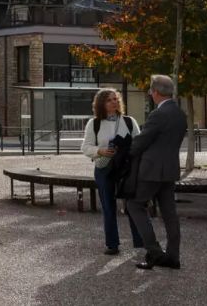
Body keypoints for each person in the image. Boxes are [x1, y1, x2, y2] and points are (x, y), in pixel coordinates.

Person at [127, 74, 187, 270]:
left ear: (156, 92)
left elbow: (141, 141)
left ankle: (154, 251)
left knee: (134, 205)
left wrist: (124, 153)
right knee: (170, 213)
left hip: (151, 170)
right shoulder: (179, 113)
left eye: (151, 90)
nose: (150, 94)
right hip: (170, 170)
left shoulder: (158, 114)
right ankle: (173, 256)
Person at [80, 88, 142, 255]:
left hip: (126, 169)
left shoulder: (129, 121)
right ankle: (112, 244)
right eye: (109, 100)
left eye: (115, 99)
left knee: (132, 206)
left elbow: (139, 143)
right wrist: (100, 151)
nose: (114, 102)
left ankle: (140, 242)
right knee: (108, 206)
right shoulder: (94, 124)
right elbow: (85, 147)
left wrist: (128, 150)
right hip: (104, 168)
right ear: (101, 104)